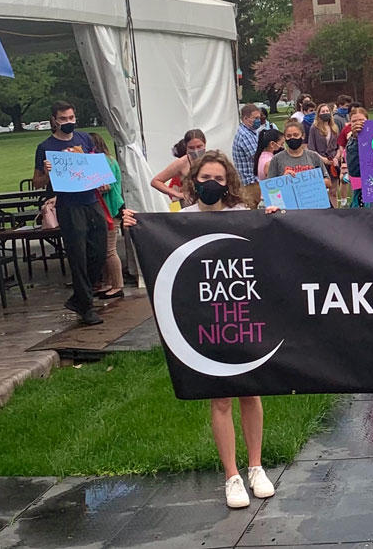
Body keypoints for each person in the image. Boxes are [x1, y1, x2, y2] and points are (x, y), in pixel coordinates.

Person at [122, 151, 279, 508]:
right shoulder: (182, 220)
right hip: (205, 319)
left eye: (220, 179)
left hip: (242, 313)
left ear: (229, 183)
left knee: (251, 391)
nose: (213, 184)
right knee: (220, 396)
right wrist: (135, 222)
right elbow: (157, 243)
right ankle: (232, 476)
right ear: (194, 181)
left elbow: (268, 250)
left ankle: (256, 466)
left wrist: (272, 221)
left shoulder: (242, 217)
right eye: (206, 177)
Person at [32, 101, 107, 326]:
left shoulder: (84, 139)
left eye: (71, 118)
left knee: (99, 251)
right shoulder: (46, 146)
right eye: (63, 119)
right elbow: (37, 182)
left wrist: (101, 180)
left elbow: (94, 165)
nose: (68, 122)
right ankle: (86, 306)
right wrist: (46, 174)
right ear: (54, 120)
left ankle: (78, 298)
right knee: (78, 256)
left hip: (90, 200)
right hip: (69, 204)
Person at [88, 132, 125, 300]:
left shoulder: (104, 162)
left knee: (110, 249)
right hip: (106, 210)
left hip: (109, 209)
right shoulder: (108, 159)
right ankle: (109, 282)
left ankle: (117, 285)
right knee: (104, 249)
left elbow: (106, 186)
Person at [266, 121, 332, 200]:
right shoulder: (276, 159)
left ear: (303, 136)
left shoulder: (313, 156)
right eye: (289, 136)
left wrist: (311, 181)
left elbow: (328, 182)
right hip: (290, 204)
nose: (292, 138)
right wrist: (283, 180)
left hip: (312, 202)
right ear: (285, 138)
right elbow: (270, 188)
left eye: (296, 135)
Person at [233, 104, 276, 209]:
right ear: (245, 119)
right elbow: (258, 157)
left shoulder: (252, 132)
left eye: (259, 117)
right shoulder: (245, 135)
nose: (259, 120)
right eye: (255, 118)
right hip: (251, 183)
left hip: (255, 181)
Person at [151, 129, 207, 203]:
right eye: (191, 148)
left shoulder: (213, 159)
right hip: (190, 207)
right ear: (186, 147)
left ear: (205, 144)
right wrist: (178, 194)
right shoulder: (182, 163)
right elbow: (156, 181)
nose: (196, 150)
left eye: (199, 146)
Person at [308, 104, 341, 206]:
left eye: (327, 111)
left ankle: (336, 211)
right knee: (321, 191)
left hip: (333, 162)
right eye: (323, 111)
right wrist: (323, 159)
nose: (325, 113)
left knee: (333, 191)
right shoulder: (314, 128)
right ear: (318, 114)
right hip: (320, 161)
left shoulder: (334, 127)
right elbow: (311, 149)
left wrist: (336, 158)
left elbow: (340, 146)